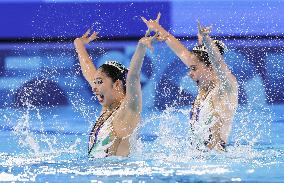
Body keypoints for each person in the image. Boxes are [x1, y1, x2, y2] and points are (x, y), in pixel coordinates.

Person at [142, 15, 238, 151]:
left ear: (210, 65)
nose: (190, 73)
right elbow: (182, 52)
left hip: (217, 157)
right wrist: (159, 30)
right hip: (201, 156)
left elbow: (217, 63)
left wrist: (206, 40)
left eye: (194, 68)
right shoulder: (204, 79)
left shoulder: (226, 86)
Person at [74, 29, 156, 158]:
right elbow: (87, 66)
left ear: (117, 84)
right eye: (94, 82)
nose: (94, 88)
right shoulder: (107, 107)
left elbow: (133, 77)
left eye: (99, 82)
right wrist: (78, 43)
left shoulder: (128, 110)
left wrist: (141, 47)